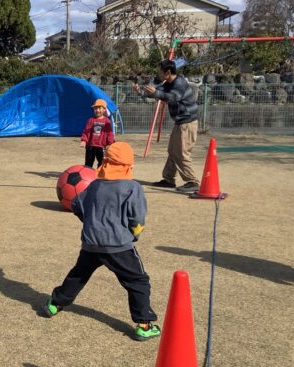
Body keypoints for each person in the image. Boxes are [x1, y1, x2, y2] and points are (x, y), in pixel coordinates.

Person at [43, 141, 161, 341]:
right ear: (128, 165)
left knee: (79, 275)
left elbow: (76, 204)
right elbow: (138, 218)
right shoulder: (133, 187)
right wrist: (134, 234)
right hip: (119, 246)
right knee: (138, 281)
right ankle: (144, 324)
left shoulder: (94, 185)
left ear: (106, 162)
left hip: (91, 243)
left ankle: (55, 303)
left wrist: (90, 222)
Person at [135, 59, 200, 193]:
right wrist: (140, 92)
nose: (158, 74)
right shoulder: (169, 83)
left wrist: (155, 92)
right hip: (181, 122)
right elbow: (158, 91)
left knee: (181, 152)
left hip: (187, 122)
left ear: (168, 72)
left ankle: (192, 181)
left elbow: (172, 97)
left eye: (160, 72)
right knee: (172, 151)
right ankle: (169, 179)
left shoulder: (179, 83)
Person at [80, 99, 115, 168]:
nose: (97, 110)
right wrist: (84, 140)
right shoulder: (90, 120)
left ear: (104, 110)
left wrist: (110, 143)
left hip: (102, 146)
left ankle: (99, 173)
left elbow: (109, 133)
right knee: (88, 162)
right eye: (95, 108)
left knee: (102, 162)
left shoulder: (107, 121)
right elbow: (86, 131)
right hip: (90, 146)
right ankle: (88, 173)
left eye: (99, 108)